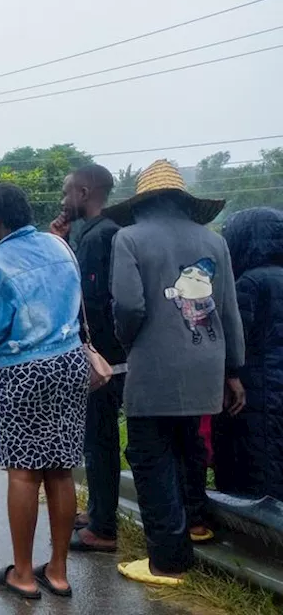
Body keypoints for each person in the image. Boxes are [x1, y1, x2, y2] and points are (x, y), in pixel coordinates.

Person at [105, 159, 244, 586]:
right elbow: (228, 311)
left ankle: (166, 562)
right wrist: (233, 371)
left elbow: (128, 306)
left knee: (151, 456)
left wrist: (131, 342)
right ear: (184, 201)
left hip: (155, 366)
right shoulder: (213, 241)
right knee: (190, 451)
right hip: (208, 364)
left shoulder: (128, 237)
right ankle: (193, 530)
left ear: (141, 203)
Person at [0, 183, 87, 600]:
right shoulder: (58, 246)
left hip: (24, 370)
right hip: (71, 364)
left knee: (24, 471)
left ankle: (22, 574)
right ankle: (58, 571)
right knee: (61, 470)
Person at [50, 164, 129, 554]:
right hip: (104, 356)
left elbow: (92, 303)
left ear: (83, 192)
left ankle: (103, 527)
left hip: (103, 359)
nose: (63, 201)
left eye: (67, 192)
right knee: (96, 438)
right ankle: (98, 511)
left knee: (100, 440)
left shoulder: (103, 237)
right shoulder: (93, 234)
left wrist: (87, 349)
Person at [214, 207, 283, 500]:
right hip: (276, 383)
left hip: (255, 388)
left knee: (257, 456)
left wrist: (230, 374)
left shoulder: (248, 283)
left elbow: (234, 337)